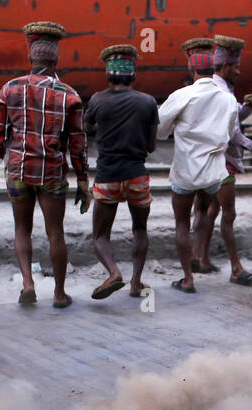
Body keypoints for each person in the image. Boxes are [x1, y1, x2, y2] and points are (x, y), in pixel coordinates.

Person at [0, 21, 87, 309]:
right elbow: (78, 144)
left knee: (21, 230)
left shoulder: (9, 89)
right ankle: (60, 294)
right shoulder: (70, 95)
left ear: (31, 55)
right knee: (56, 233)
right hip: (51, 172)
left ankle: (28, 283)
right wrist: (84, 182)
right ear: (56, 58)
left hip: (17, 171)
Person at [156, 38, 241, 294]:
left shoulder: (182, 95)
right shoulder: (227, 99)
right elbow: (228, 133)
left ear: (192, 70)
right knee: (204, 212)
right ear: (213, 69)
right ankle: (207, 259)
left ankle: (188, 279)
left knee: (182, 223)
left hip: (186, 173)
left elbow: (160, 131)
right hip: (214, 173)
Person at [189, 35, 252, 286]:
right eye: (236, 67)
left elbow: (231, 118)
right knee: (228, 214)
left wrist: (245, 108)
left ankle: (200, 259)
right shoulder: (222, 93)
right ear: (224, 67)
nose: (239, 71)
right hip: (220, 162)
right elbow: (232, 132)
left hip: (202, 161)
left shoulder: (212, 87)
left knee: (208, 210)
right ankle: (236, 269)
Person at [83, 44, 158, 300]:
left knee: (100, 235)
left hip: (107, 177)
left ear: (108, 75)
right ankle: (136, 284)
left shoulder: (97, 100)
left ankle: (114, 273)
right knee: (140, 230)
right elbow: (150, 146)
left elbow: (85, 126)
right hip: (137, 175)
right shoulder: (147, 102)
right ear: (132, 75)